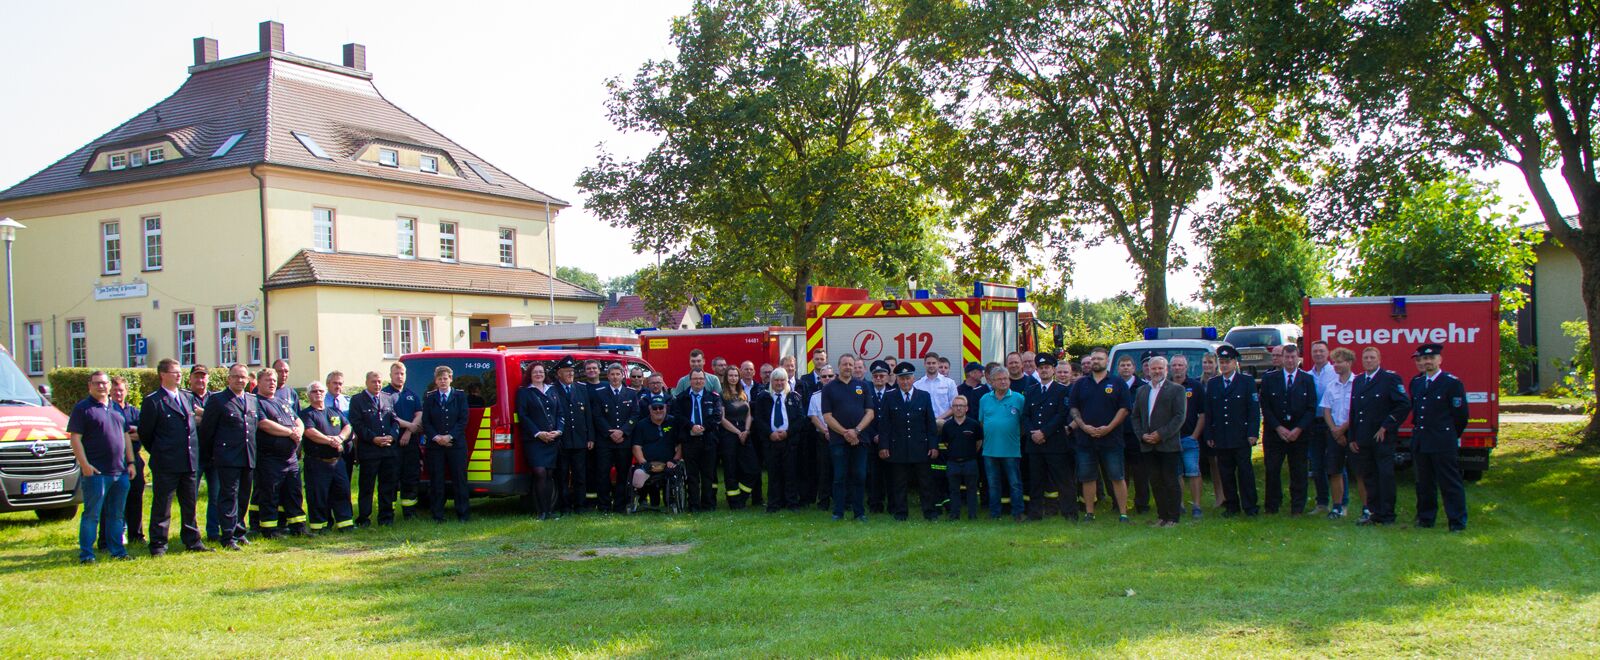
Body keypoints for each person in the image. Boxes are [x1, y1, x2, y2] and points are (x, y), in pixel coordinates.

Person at [142, 359, 210, 555]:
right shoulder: (154, 400)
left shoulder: (186, 398)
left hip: (189, 460)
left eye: (180, 372)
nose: (179, 375)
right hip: (167, 462)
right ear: (162, 375)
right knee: (162, 505)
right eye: (174, 372)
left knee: (190, 504)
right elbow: (147, 433)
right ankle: (158, 544)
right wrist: (162, 451)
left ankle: (192, 540)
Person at [68, 371, 134, 563]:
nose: (102, 387)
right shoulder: (83, 409)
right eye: (97, 383)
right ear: (90, 385)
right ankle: (87, 555)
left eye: (104, 383)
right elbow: (75, 439)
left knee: (116, 515)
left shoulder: (116, 408)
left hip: (120, 472)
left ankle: (118, 552)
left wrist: (131, 463)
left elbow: (125, 436)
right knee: (92, 515)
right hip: (96, 473)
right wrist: (85, 465)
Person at [1407, 343, 1469, 532]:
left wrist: (1449, 434)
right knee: (1424, 483)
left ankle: (1456, 521)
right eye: (1424, 359)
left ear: (1439, 360)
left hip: (1442, 441)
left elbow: (1460, 415)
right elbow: (1417, 412)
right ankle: (1426, 518)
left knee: (1449, 482)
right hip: (1422, 440)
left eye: (1431, 358)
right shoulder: (1416, 383)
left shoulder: (1451, 383)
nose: (1427, 362)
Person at [198, 364, 259, 549]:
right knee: (228, 497)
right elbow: (208, 431)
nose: (240, 380)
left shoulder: (252, 399)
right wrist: (212, 455)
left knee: (243, 495)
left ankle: (240, 531)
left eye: (243, 377)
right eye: (236, 376)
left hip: (247, 456)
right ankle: (228, 536)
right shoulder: (218, 400)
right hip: (227, 457)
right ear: (229, 379)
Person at [1349, 346, 1411, 526]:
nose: (1368, 360)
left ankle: (1387, 514)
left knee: (1385, 476)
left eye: (1372, 358)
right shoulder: (1359, 380)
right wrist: (1353, 436)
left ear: (1379, 359)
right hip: (1363, 437)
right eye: (1365, 358)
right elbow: (1354, 411)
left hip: (1382, 438)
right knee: (1369, 476)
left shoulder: (1390, 379)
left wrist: (1387, 425)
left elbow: (1403, 405)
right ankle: (1374, 512)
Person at [1069, 348, 1131, 522]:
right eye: (1093, 359)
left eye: (1100, 359)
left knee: (1117, 476)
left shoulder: (1118, 383)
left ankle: (1123, 513)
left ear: (1107, 362)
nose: (1096, 361)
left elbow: (1124, 408)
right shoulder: (1080, 384)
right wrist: (1083, 426)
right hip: (1085, 439)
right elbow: (1074, 408)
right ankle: (1090, 513)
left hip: (1112, 438)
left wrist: (1109, 427)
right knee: (1088, 477)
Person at [878, 361, 939, 521]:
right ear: (897, 380)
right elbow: (884, 424)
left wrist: (933, 445)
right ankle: (900, 513)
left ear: (913, 379)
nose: (905, 382)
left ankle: (930, 512)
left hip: (920, 447)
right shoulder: (889, 397)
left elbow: (930, 423)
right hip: (898, 447)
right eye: (902, 379)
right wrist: (883, 445)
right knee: (899, 483)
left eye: (908, 378)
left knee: (925, 482)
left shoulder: (924, 396)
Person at [1260, 343, 1317, 515]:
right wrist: (1278, 428)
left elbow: (1311, 408)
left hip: (1299, 434)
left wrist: (1298, 429)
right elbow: (1266, 406)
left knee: (1298, 471)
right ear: (1282, 358)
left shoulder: (1307, 379)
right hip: (1275, 433)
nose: (1290, 360)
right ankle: (1272, 506)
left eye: (1293, 357)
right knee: (1272, 470)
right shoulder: (1270, 379)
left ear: (1299, 358)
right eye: (1287, 357)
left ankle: (1297, 507)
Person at [1204, 346, 1261, 517]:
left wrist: (1253, 432)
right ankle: (1231, 505)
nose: (1224, 365)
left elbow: (1253, 410)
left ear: (1235, 362)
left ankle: (1250, 506)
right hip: (1221, 436)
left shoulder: (1246, 382)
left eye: (1227, 362)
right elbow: (1209, 412)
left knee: (1245, 472)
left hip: (1241, 435)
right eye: (1221, 362)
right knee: (1226, 473)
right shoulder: (1213, 384)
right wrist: (1209, 434)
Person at [1133, 356, 1187, 527]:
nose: (1156, 371)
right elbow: (1135, 417)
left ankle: (1173, 517)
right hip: (1148, 445)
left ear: (1166, 369)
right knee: (1155, 482)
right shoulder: (1142, 390)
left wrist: (1160, 434)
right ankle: (1162, 516)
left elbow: (1179, 417)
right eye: (1153, 368)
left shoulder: (1177, 390)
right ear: (1147, 370)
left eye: (1159, 368)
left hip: (1168, 444)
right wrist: (1142, 435)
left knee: (1170, 481)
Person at [821, 354, 875, 521]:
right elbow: (827, 416)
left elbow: (870, 413)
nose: (848, 367)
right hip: (839, 441)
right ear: (839, 366)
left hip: (860, 440)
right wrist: (846, 432)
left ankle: (859, 513)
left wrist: (856, 431)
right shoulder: (829, 388)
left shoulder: (863, 386)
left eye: (851, 364)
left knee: (859, 476)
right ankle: (838, 512)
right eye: (845, 364)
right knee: (839, 477)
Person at [253, 368, 305, 538]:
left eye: (274, 380)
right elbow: (264, 424)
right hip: (270, 458)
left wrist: (299, 431)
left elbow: (298, 420)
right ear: (259, 382)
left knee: (294, 493)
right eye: (268, 380)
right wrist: (290, 433)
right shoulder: (256, 401)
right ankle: (269, 529)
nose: (272, 383)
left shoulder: (281, 402)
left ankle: (298, 527)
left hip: (290, 458)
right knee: (270, 494)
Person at [1024, 353, 1074, 521]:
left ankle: (1069, 513)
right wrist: (1033, 433)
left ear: (1053, 370)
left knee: (1063, 480)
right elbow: (1025, 416)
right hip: (1035, 444)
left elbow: (1061, 415)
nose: (1044, 370)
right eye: (1041, 368)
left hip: (1055, 442)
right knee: (1036, 480)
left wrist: (1044, 433)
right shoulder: (1031, 391)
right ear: (1037, 370)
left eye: (1047, 368)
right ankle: (1035, 513)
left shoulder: (1062, 391)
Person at [300, 379, 354, 534]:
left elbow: (347, 426)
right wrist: (331, 441)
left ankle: (345, 524)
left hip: (337, 462)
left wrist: (340, 438)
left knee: (342, 492)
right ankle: (320, 526)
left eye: (321, 391)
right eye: (314, 391)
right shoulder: (306, 414)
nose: (318, 394)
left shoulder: (334, 411)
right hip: (317, 463)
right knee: (318, 495)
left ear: (325, 393)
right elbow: (310, 432)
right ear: (308, 395)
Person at [349, 371, 400, 527]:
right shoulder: (357, 400)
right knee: (367, 487)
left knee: (387, 486)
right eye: (373, 381)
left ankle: (386, 517)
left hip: (388, 450)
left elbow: (394, 421)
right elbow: (357, 424)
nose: (377, 384)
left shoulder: (387, 397)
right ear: (366, 382)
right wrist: (373, 438)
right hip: (370, 450)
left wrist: (392, 436)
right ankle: (364, 518)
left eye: (379, 381)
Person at [423, 365, 472, 522]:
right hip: (435, 446)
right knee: (437, 480)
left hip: (456, 445)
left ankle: (463, 514)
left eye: (445, 378)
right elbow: (426, 421)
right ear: (435, 381)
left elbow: (463, 419)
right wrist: (437, 437)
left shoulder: (459, 397)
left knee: (459, 479)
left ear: (451, 379)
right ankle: (437, 514)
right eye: (440, 379)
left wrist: (450, 437)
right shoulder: (430, 398)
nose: (443, 381)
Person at [549, 356, 596, 514]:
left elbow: (588, 415)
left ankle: (580, 506)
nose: (570, 374)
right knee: (562, 476)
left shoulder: (581, 388)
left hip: (580, 440)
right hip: (562, 441)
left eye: (572, 371)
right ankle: (565, 506)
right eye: (567, 371)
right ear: (559, 374)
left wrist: (590, 437)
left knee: (580, 475)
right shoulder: (552, 390)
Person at [978, 365, 1026, 521]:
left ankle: (1018, 513)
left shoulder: (1019, 398)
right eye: (999, 379)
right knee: (993, 484)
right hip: (990, 450)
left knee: (1015, 483)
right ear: (992, 381)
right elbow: (982, 423)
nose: (1003, 382)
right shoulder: (984, 399)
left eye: (1006, 378)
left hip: (1011, 449)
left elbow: (1024, 424)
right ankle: (994, 514)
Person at [672, 368, 723, 511]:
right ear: (690, 380)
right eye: (695, 379)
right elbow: (677, 416)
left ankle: (708, 504)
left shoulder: (713, 397)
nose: (698, 381)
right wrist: (691, 426)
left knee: (708, 475)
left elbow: (717, 416)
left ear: (705, 381)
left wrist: (703, 428)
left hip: (708, 440)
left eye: (701, 379)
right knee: (692, 475)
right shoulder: (681, 398)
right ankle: (694, 505)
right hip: (689, 441)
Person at [518, 363, 564, 519]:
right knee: (540, 472)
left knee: (550, 474)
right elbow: (523, 416)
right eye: (535, 372)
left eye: (541, 372)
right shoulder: (524, 392)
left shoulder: (553, 390)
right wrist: (538, 433)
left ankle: (549, 511)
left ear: (545, 374)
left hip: (552, 439)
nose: (538, 374)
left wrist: (558, 431)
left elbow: (560, 413)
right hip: (535, 440)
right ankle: (541, 511)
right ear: (530, 374)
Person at [102, 376, 144, 549]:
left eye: (121, 390)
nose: (118, 393)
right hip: (113, 461)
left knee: (136, 497)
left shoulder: (134, 411)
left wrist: (129, 433)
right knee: (112, 501)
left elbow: (144, 432)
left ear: (126, 391)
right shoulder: (107, 410)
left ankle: (137, 534)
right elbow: (114, 434)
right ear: (110, 391)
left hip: (134, 458)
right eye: (115, 390)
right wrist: (128, 433)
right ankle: (109, 537)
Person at [755, 368, 804, 512]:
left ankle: (792, 503)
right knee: (773, 473)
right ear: (771, 381)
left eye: (782, 380)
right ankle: (774, 504)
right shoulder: (763, 397)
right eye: (776, 380)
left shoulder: (794, 397)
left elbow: (800, 419)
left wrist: (787, 433)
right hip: (771, 442)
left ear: (786, 381)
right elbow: (759, 419)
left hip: (789, 441)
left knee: (790, 473)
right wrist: (770, 433)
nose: (779, 383)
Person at [593, 363, 639, 513]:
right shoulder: (599, 393)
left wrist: (623, 432)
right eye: (612, 374)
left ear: (622, 376)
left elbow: (634, 415)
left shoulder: (631, 394)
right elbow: (597, 416)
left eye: (617, 374)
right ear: (608, 376)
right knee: (602, 474)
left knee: (623, 474)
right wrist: (610, 432)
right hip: (605, 442)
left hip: (624, 442)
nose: (614, 377)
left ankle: (620, 505)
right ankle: (604, 506)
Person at [1319, 348, 1358, 519]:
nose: (1336, 365)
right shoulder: (1331, 385)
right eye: (1334, 362)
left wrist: (1343, 429)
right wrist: (1335, 430)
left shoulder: (1359, 383)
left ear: (1349, 362)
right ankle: (1336, 507)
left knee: (1361, 472)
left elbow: (1357, 411)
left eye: (1339, 362)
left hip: (1353, 433)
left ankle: (1366, 508)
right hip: (1334, 433)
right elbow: (1326, 410)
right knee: (1334, 471)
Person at [383, 362, 425, 520]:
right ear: (390, 375)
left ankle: (409, 512)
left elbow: (419, 413)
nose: (399, 376)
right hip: (392, 443)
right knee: (391, 479)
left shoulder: (411, 394)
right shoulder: (384, 395)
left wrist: (408, 431)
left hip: (411, 443)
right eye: (396, 373)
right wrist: (411, 426)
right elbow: (391, 417)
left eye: (402, 374)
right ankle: (388, 514)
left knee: (411, 477)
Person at [1167, 355, 1206, 519]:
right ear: (1170, 367)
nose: (1177, 368)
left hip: (1190, 437)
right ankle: (1180, 504)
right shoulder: (1165, 387)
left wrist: (1195, 436)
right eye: (1174, 365)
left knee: (1193, 472)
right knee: (1177, 474)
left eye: (1180, 365)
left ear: (1186, 367)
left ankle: (1197, 506)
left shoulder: (1195, 386)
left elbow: (1203, 414)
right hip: (1171, 439)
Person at [629, 394, 682, 506]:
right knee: (638, 476)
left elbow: (681, 444)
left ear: (666, 407)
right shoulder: (641, 425)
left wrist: (674, 460)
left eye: (660, 407)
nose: (658, 410)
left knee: (672, 473)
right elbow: (636, 447)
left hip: (669, 463)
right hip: (648, 463)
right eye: (654, 408)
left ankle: (671, 501)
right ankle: (642, 499)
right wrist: (643, 463)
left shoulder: (674, 422)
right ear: (650, 409)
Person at [1305, 340, 1340, 513]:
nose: (1318, 354)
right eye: (1315, 351)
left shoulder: (1335, 372)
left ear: (1328, 353)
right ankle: (1322, 503)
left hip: (1332, 424)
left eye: (1321, 351)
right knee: (1317, 466)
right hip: (1314, 424)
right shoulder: (1307, 375)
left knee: (1336, 466)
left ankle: (1341, 503)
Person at [718, 366, 759, 508]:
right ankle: (734, 502)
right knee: (731, 469)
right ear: (726, 377)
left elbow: (748, 414)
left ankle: (742, 497)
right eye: (730, 375)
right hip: (729, 436)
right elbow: (722, 419)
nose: (733, 378)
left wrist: (746, 431)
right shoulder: (722, 395)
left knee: (752, 468)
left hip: (745, 435)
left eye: (736, 375)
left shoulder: (743, 394)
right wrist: (737, 432)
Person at [1116, 354, 1152, 515]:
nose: (1125, 368)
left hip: (1137, 436)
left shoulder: (1143, 387)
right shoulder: (1113, 385)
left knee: (1140, 473)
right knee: (1119, 473)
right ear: (1118, 368)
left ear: (1134, 368)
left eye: (1128, 365)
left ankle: (1142, 504)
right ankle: (1119, 504)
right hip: (1117, 434)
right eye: (1122, 365)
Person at [940, 395, 983, 520]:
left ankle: (972, 515)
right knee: (953, 490)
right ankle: (954, 515)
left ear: (966, 408)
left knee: (972, 490)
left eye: (961, 406)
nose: (958, 408)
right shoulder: (947, 425)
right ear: (952, 408)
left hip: (970, 462)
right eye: (956, 406)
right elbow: (946, 443)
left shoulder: (973, 424)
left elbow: (978, 442)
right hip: (953, 463)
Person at [804, 364, 835, 510]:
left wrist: (835, 431)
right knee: (823, 471)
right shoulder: (815, 397)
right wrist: (825, 431)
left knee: (840, 470)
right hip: (823, 438)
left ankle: (841, 500)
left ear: (835, 377)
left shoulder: (841, 394)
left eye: (830, 376)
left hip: (840, 437)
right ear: (820, 379)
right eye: (824, 376)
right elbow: (813, 416)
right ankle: (823, 502)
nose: (827, 379)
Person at [864, 359, 893, 514]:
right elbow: (862, 417)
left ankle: (892, 504)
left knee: (891, 475)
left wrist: (884, 437)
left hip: (889, 443)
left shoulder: (894, 393)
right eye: (876, 376)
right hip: (871, 441)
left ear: (888, 377)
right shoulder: (865, 394)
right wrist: (874, 435)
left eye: (882, 376)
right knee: (873, 475)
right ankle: (875, 504)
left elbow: (895, 420)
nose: (879, 379)